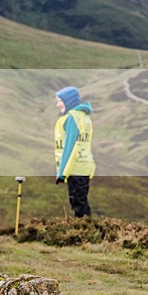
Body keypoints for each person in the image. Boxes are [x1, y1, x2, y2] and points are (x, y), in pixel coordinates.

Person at [54, 86, 95, 218]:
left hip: (75, 167)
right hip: (84, 166)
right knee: (81, 202)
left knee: (78, 204)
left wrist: (61, 172)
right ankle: (87, 231)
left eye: (60, 100)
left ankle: (83, 234)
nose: (57, 104)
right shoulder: (84, 117)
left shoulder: (72, 118)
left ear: (68, 101)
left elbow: (69, 147)